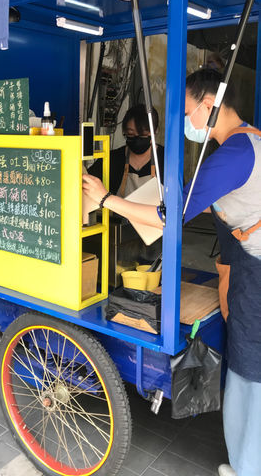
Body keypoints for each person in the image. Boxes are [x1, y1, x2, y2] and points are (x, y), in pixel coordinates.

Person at [83, 68, 261, 476]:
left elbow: (170, 218)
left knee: (250, 369)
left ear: (208, 104)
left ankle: (248, 467)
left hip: (256, 275)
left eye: (186, 111)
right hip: (248, 267)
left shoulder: (234, 154)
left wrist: (106, 199)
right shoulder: (249, 140)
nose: (185, 121)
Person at [88, 103, 164, 264]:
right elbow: (87, 182)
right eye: (130, 134)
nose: (136, 139)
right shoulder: (113, 159)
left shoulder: (166, 160)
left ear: (155, 131)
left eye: (143, 134)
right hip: (120, 237)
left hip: (157, 237)